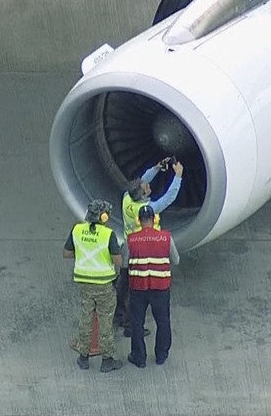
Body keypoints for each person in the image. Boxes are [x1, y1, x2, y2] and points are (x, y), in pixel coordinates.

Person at [115, 157, 184, 336]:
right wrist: (178, 176)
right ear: (143, 196)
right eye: (147, 189)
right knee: (135, 290)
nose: (149, 187)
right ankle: (130, 325)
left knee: (123, 283)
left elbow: (142, 180)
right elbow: (169, 198)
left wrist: (156, 167)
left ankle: (119, 314)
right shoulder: (147, 209)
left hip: (127, 246)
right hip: (142, 250)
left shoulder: (127, 198)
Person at [63, 199, 124, 372]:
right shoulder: (108, 234)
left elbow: (67, 253)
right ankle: (107, 360)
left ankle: (83, 357)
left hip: (85, 283)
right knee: (105, 321)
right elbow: (118, 260)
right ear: (104, 217)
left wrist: (84, 252)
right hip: (104, 284)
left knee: (85, 319)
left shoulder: (77, 230)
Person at [126, 205, 179, 368]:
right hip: (160, 287)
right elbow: (176, 259)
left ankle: (139, 357)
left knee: (137, 322)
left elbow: (123, 262)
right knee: (163, 321)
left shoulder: (131, 239)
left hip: (138, 287)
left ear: (139, 221)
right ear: (154, 220)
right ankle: (161, 355)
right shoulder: (166, 238)